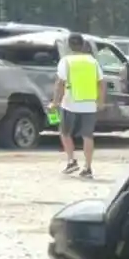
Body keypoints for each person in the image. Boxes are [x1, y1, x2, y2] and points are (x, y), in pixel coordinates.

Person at [52, 32, 105, 179]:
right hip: (89, 104)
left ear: (69, 46)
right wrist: (100, 101)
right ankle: (87, 167)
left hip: (70, 103)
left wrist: (55, 102)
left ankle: (71, 160)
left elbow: (60, 84)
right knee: (88, 136)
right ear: (82, 45)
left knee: (64, 132)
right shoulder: (92, 61)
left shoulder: (66, 61)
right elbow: (101, 83)